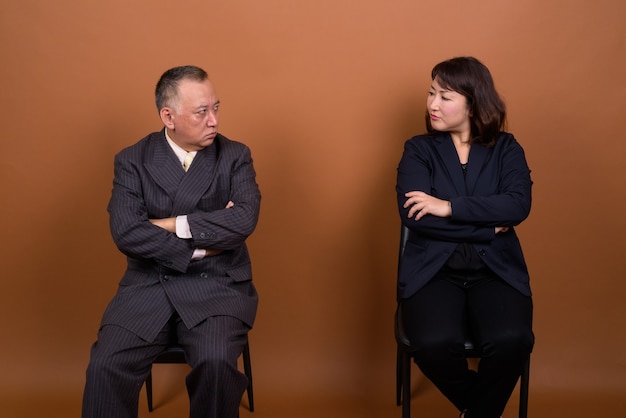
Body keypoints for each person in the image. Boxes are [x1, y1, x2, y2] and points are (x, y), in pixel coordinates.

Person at [82, 65, 261, 418]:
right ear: (169, 116)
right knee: (105, 365)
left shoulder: (235, 155)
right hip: (148, 285)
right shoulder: (133, 160)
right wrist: (201, 243)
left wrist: (168, 224)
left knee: (215, 364)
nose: (214, 121)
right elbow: (126, 232)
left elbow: (243, 220)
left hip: (219, 286)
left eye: (216, 108)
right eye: (202, 112)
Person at [396, 57, 534, 418]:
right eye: (431, 93)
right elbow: (415, 216)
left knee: (513, 341)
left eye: (445, 96)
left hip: (496, 271)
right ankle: (482, 410)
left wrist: (447, 207)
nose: (432, 104)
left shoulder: (507, 149)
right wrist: (488, 225)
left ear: (473, 103)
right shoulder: (418, 149)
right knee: (432, 343)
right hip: (433, 271)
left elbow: (517, 205)